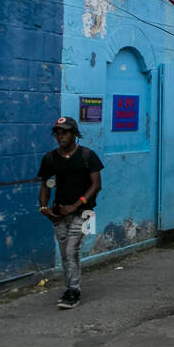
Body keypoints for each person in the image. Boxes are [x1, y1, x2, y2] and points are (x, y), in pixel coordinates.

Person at [37, 116, 103, 309]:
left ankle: (73, 291)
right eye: (57, 133)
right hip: (59, 213)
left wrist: (76, 205)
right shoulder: (50, 158)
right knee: (65, 253)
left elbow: (96, 185)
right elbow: (45, 185)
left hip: (83, 212)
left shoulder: (87, 155)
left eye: (64, 132)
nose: (60, 137)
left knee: (71, 250)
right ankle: (70, 287)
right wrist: (43, 208)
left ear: (74, 134)